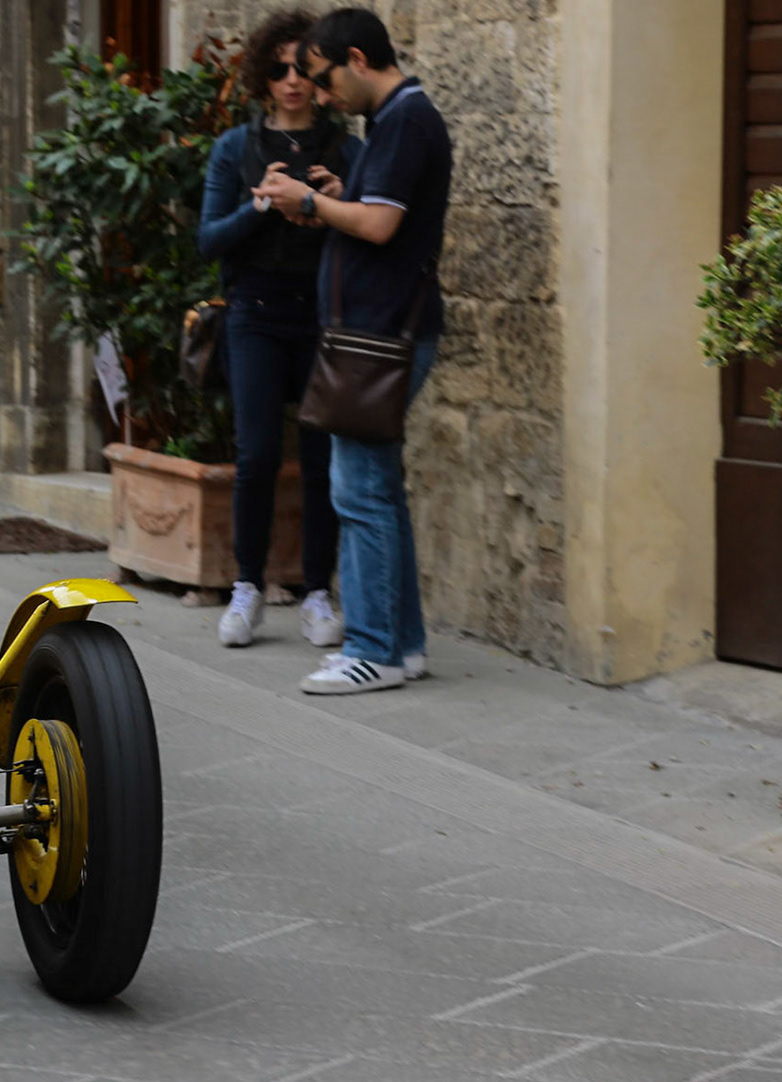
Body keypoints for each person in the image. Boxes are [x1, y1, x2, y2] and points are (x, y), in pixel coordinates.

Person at [254, 7, 451, 695]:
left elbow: (379, 224)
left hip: (381, 334)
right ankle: (404, 645)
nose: (326, 97)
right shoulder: (399, 120)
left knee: (358, 490)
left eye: (327, 80)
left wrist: (310, 202)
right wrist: (342, 193)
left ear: (358, 60)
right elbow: (376, 209)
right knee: (378, 491)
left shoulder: (403, 119)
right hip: (383, 330)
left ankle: (372, 650)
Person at [198, 7, 360, 650]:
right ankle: (247, 588)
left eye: (304, 68)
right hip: (255, 319)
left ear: (320, 75)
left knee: (322, 461)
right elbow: (209, 241)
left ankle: (318, 592)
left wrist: (337, 198)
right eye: (280, 68)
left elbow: (374, 226)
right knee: (257, 455)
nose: (292, 80)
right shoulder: (235, 149)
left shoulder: (346, 147)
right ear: (263, 76)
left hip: (323, 319)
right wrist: (261, 204)